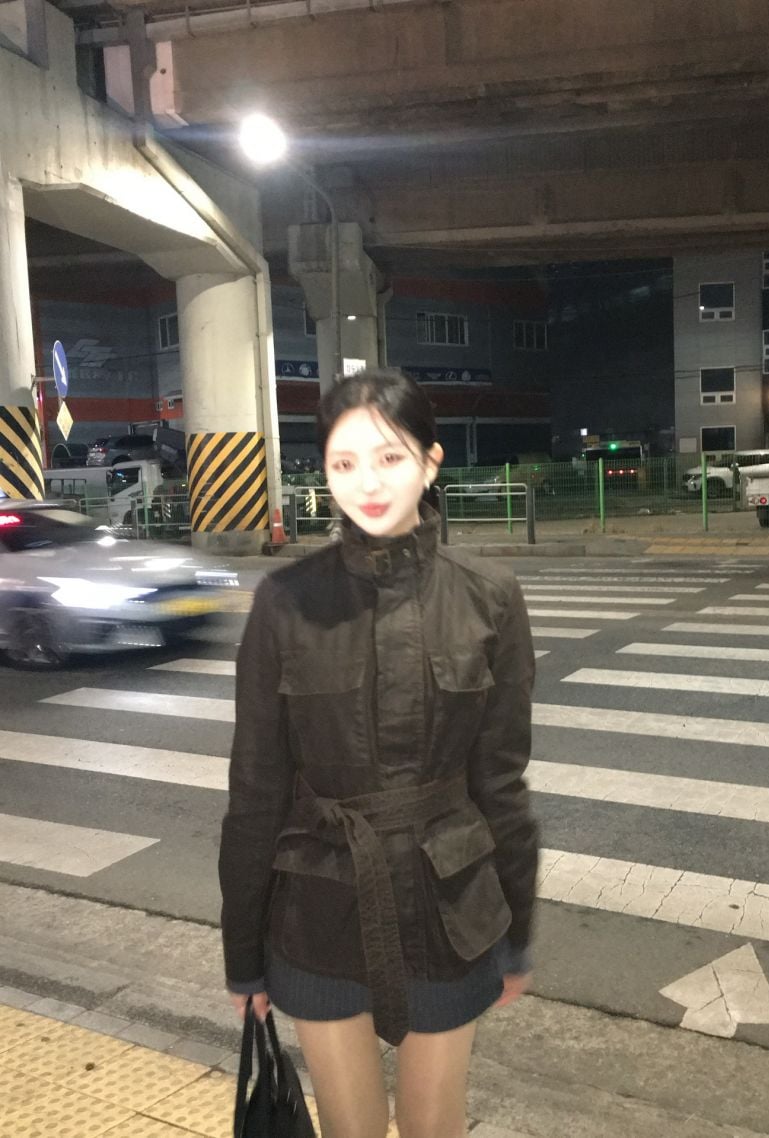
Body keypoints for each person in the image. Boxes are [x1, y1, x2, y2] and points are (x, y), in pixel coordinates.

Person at [219, 368, 538, 1138]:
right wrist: (243, 954)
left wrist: (517, 930)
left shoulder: (490, 595)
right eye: (344, 462)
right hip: (318, 909)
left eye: (390, 457)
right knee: (350, 1129)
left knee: (435, 1125)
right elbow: (256, 790)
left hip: (450, 907)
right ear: (324, 472)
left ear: (430, 462)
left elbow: (501, 782)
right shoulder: (284, 601)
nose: (367, 482)